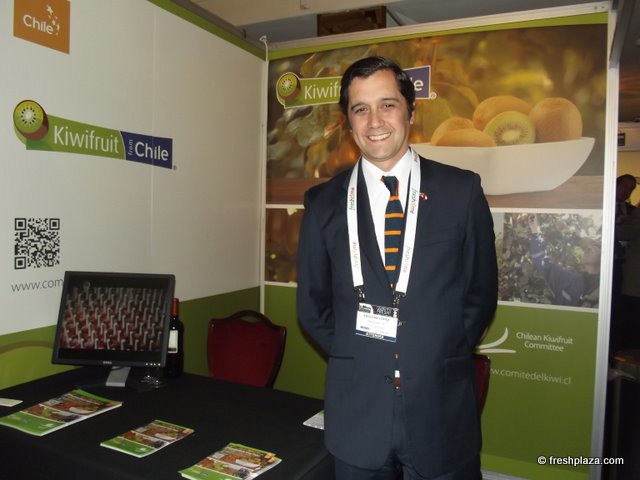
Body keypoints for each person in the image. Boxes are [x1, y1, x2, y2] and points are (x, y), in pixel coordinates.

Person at [296, 56, 498, 480]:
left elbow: (479, 293)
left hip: (440, 406)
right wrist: (360, 353)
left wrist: (437, 349)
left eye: (387, 104)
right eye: (361, 109)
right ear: (348, 122)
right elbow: (313, 308)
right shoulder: (322, 204)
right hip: (357, 410)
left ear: (411, 110)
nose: (375, 121)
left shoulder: (461, 191)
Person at [527, 214, 600, 307]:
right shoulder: (570, 279)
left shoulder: (607, 286)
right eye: (585, 248)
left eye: (595, 246)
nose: (588, 249)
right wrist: (535, 231)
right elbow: (541, 261)